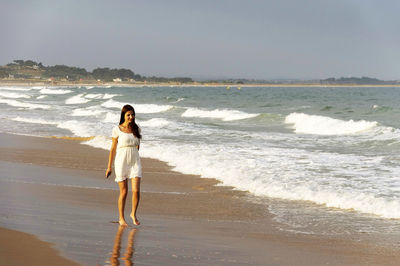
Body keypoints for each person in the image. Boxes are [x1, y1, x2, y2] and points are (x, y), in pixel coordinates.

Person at [106, 104, 142, 226]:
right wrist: (109, 167)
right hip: (121, 161)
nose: (131, 117)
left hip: (135, 161)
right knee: (124, 192)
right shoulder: (117, 130)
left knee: (136, 191)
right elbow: (112, 149)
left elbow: (138, 146)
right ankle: (121, 218)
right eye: (128, 115)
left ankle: (133, 214)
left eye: (132, 115)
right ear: (123, 116)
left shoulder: (137, 129)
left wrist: (134, 156)